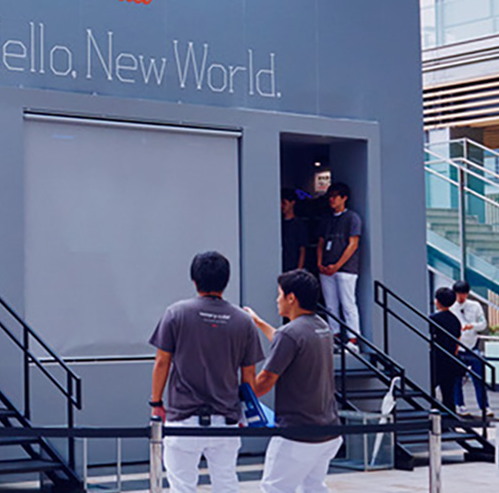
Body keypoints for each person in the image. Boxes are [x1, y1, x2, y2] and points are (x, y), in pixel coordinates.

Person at [148, 251, 263, 493]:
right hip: (226, 418)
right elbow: (248, 376)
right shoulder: (243, 321)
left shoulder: (176, 313)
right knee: (226, 483)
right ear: (226, 280)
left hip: (183, 418)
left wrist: (156, 403)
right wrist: (245, 412)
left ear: (194, 280)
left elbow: (162, 363)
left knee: (182, 487)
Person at [244, 270, 341, 493]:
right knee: (313, 487)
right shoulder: (322, 327)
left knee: (274, 488)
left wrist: (241, 390)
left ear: (291, 298)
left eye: (279, 294)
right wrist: (258, 322)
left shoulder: (290, 333)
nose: (277, 300)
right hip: (328, 431)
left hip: (297, 435)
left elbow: (264, 382)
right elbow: (289, 342)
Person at [317, 182, 361, 348]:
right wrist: (319, 263)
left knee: (348, 304)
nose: (332, 199)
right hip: (326, 268)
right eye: (330, 196)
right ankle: (334, 337)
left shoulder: (352, 218)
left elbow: (353, 244)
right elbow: (321, 242)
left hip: (346, 269)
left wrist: (337, 265)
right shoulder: (327, 219)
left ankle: (352, 339)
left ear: (344, 198)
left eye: (335, 196)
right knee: (330, 305)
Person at [450, 280, 488, 416]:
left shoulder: (475, 306)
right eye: (458, 294)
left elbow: (483, 324)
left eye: (463, 294)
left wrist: (472, 326)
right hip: (457, 347)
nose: (461, 297)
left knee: (479, 378)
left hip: (472, 346)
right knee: (456, 379)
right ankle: (460, 405)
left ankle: (484, 406)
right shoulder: (451, 307)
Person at [429, 287, 463, 411]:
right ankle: (450, 416)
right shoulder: (455, 320)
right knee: (448, 392)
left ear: (437, 301)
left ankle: (434, 413)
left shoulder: (433, 319)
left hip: (436, 358)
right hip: (450, 358)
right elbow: (457, 340)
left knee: (430, 387)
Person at [281, 189, 309, 273]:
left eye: (284, 203)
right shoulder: (278, 223)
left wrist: (299, 269)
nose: (281, 206)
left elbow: (302, 249)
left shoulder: (299, 224)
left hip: (292, 266)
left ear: (292, 203)